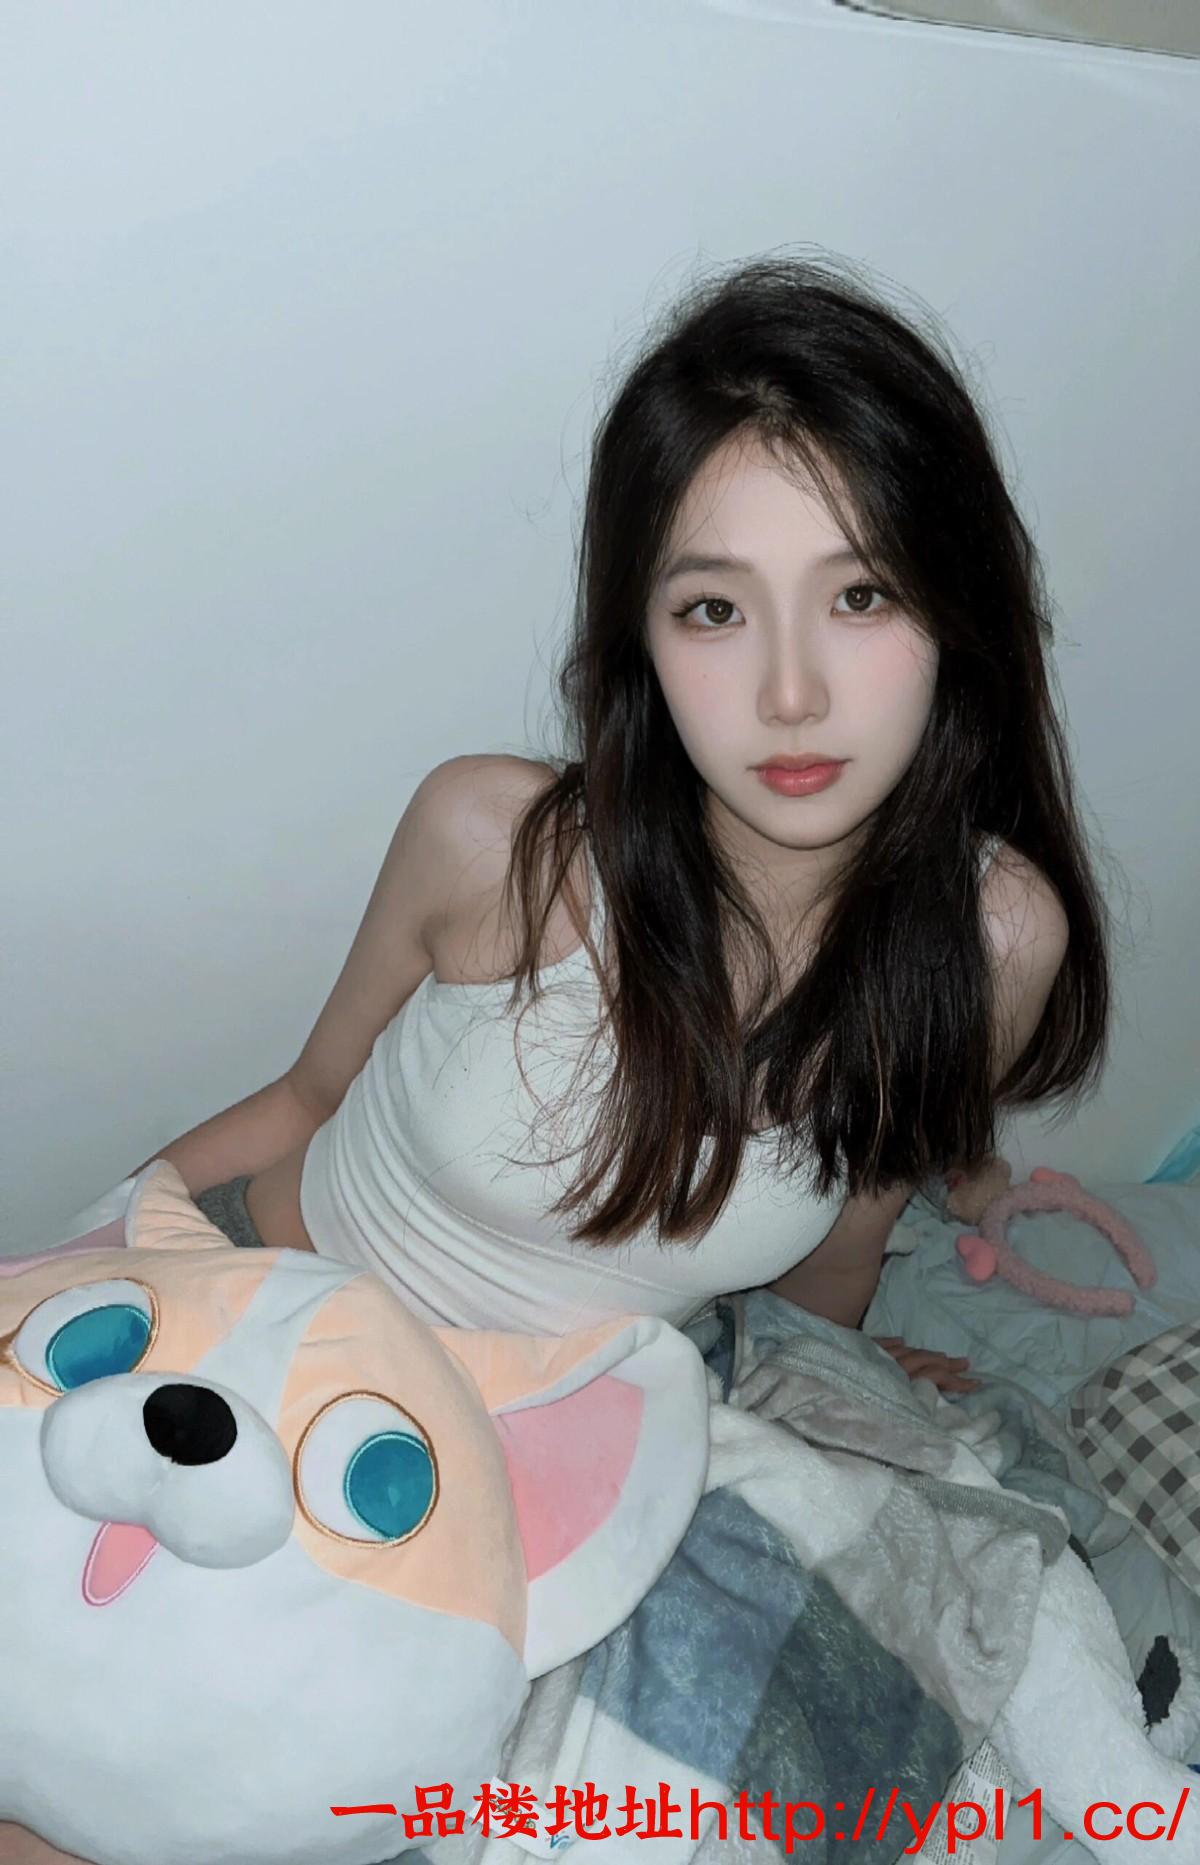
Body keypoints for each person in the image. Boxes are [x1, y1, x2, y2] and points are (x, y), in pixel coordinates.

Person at [2, 254, 1117, 1865]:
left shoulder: (994, 938)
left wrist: (853, 1383)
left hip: (519, 1466)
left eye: (861, 593)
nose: (790, 690)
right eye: (714, 607)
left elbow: (843, 1238)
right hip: (254, 1332)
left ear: (955, 605)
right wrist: (94, 1248)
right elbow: (308, 1100)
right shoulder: (498, 845)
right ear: (641, 636)